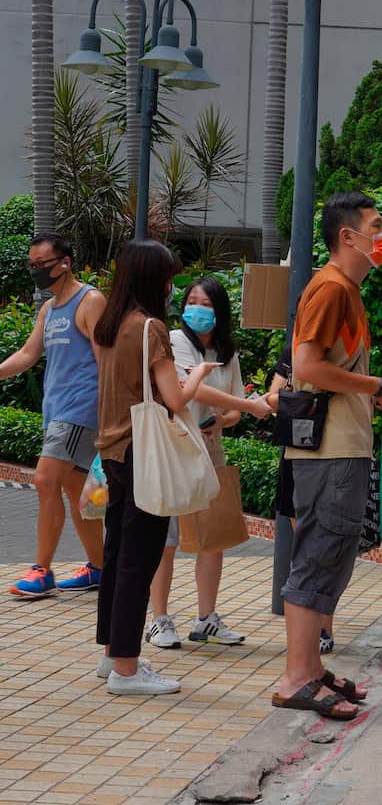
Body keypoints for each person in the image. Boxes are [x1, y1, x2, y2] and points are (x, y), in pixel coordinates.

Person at [271, 192, 382, 721]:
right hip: (329, 451)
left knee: (330, 555)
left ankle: (309, 670)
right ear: (348, 237)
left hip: (343, 448)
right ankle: (296, 676)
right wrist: (378, 386)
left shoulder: (346, 291)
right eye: (376, 226)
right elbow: (306, 367)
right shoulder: (331, 288)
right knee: (318, 556)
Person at [94, 239, 220, 695]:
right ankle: (127, 668)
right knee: (138, 559)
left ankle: (112, 652)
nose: (173, 287)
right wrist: (201, 375)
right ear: (153, 279)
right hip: (142, 452)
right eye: (169, 278)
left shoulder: (110, 324)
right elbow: (175, 398)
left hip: (112, 450)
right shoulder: (150, 329)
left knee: (116, 556)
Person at [144, 278, 272, 649]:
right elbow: (191, 389)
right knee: (165, 539)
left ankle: (207, 619)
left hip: (210, 450)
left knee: (212, 536)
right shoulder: (173, 341)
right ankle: (159, 619)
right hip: (174, 449)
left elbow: (231, 405)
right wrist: (249, 407)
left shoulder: (226, 352)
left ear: (219, 311)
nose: (196, 308)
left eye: (205, 302)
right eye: (191, 301)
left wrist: (222, 420)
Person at [2, 235, 107, 598]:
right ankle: (100, 566)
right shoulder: (49, 309)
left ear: (65, 262)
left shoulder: (90, 301)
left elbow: (105, 359)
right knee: (76, 488)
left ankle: (41, 571)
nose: (36, 271)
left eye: (41, 264)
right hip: (56, 410)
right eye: (32, 264)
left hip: (80, 409)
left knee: (45, 480)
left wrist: (110, 415)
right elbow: (28, 354)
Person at [266, 347, 337, 655]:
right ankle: (308, 632)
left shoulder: (341, 353)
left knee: (323, 548)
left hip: (333, 450)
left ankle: (324, 628)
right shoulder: (292, 353)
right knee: (303, 547)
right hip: (296, 447)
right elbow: (274, 397)